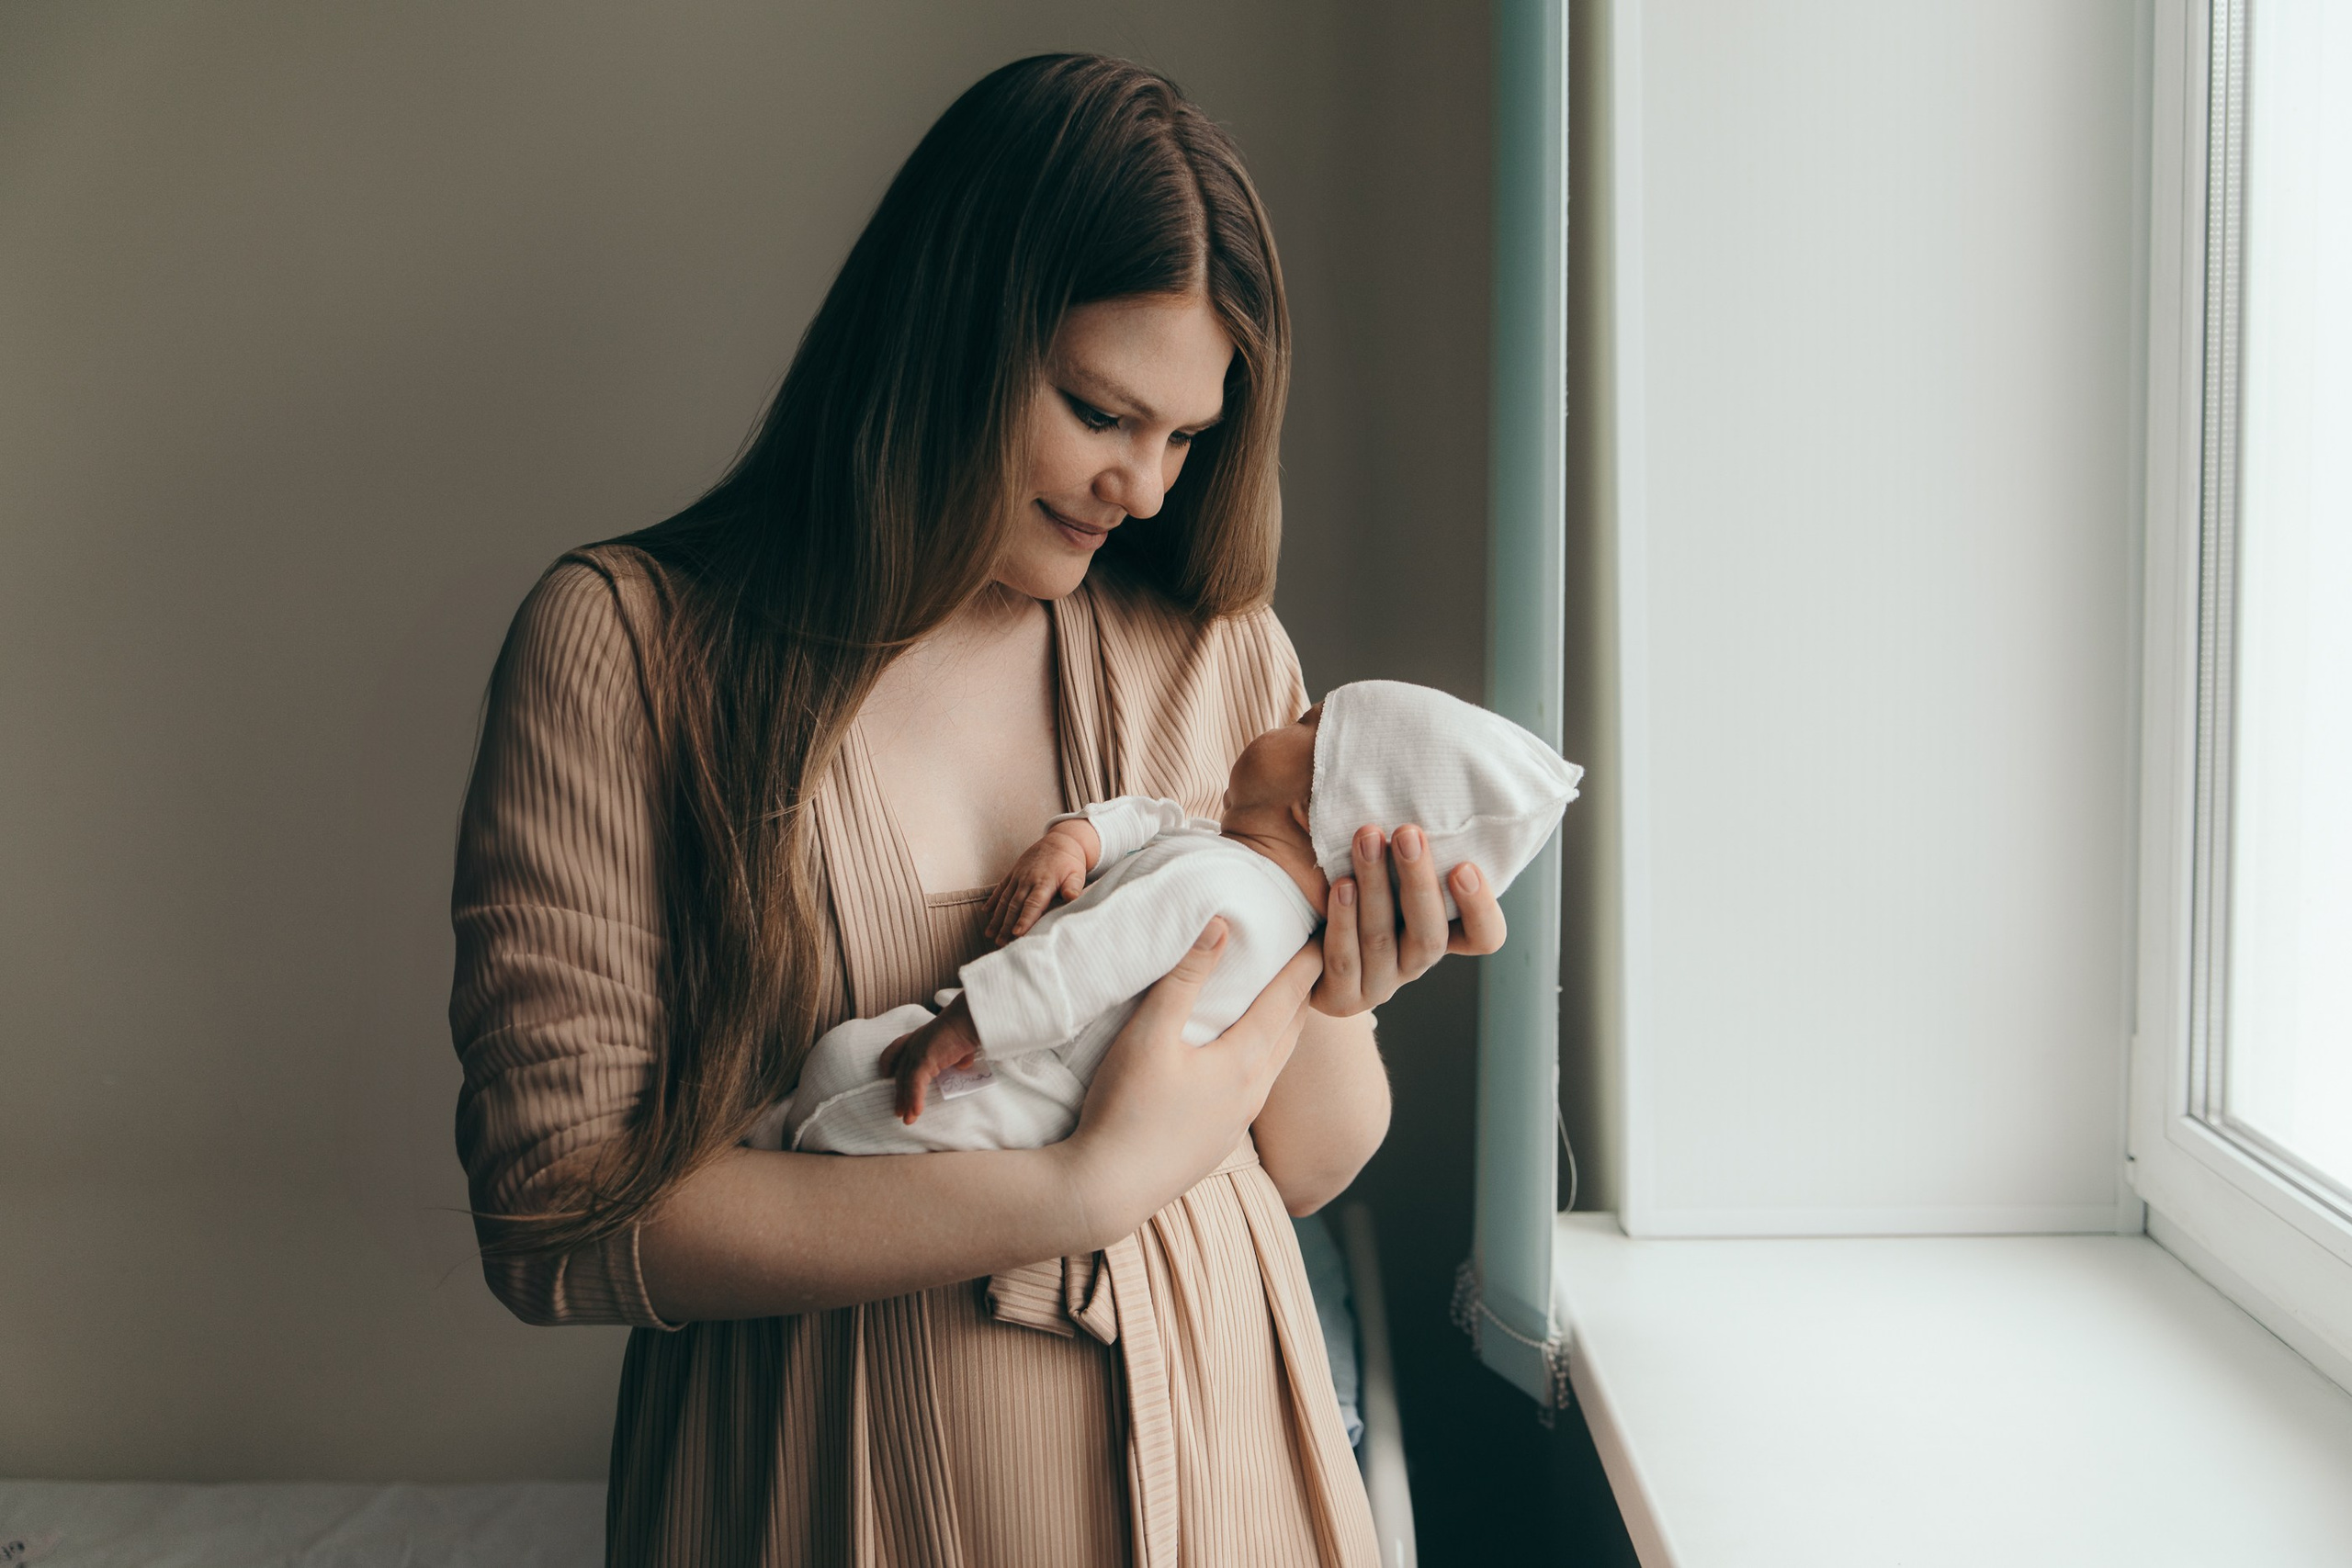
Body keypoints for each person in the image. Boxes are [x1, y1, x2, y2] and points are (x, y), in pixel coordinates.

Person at [449, 54, 1507, 1568]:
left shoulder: (1215, 651)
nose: (1147, 488)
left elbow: (1306, 1159)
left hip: (1230, 1485)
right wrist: (1075, 1189)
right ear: (945, 333)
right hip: (820, 1493)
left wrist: (1338, 979)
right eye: (1101, 411)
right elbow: (560, 1216)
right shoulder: (628, 650)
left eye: (1188, 437)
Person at [760, 682, 1579, 1154]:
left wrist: (968, 1022)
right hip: (1053, 1087)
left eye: (1305, 726)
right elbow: (1158, 821)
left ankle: (787, 1139)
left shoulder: (1220, 889)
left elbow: (1086, 955)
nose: (1282, 718)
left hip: (1024, 1078)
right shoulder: (1253, 888)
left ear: (1311, 808)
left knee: (844, 1068)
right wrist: (1080, 838)